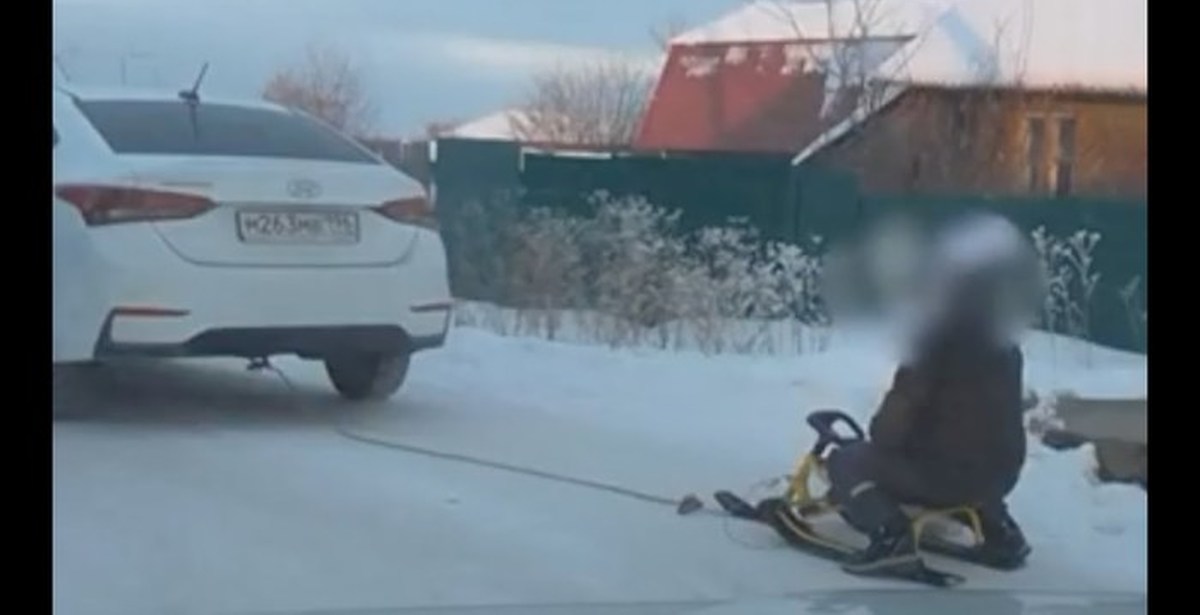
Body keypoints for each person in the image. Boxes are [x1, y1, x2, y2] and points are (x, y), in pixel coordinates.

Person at [826, 213, 1039, 574]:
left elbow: (896, 419)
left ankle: (889, 535)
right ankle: (997, 527)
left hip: (945, 476)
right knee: (970, 452)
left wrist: (877, 441)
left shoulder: (933, 345)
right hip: (1002, 476)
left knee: (846, 461)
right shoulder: (1005, 344)